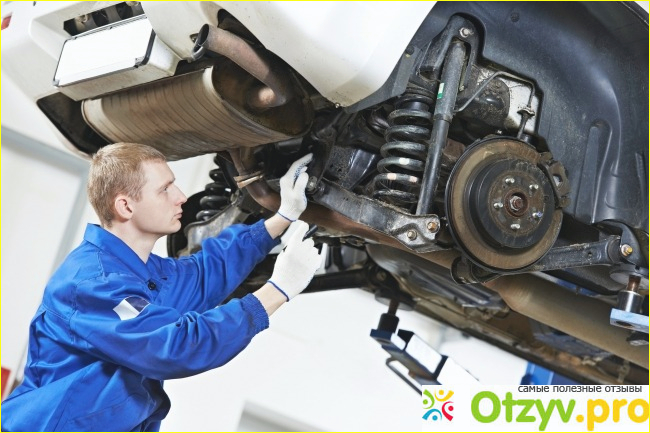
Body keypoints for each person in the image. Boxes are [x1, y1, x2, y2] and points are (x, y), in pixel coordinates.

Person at [1, 143, 322, 431]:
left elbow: (204, 274)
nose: (181, 196)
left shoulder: (141, 274)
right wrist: (277, 290)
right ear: (126, 207)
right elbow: (176, 345)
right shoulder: (92, 284)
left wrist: (283, 216)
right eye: (165, 189)